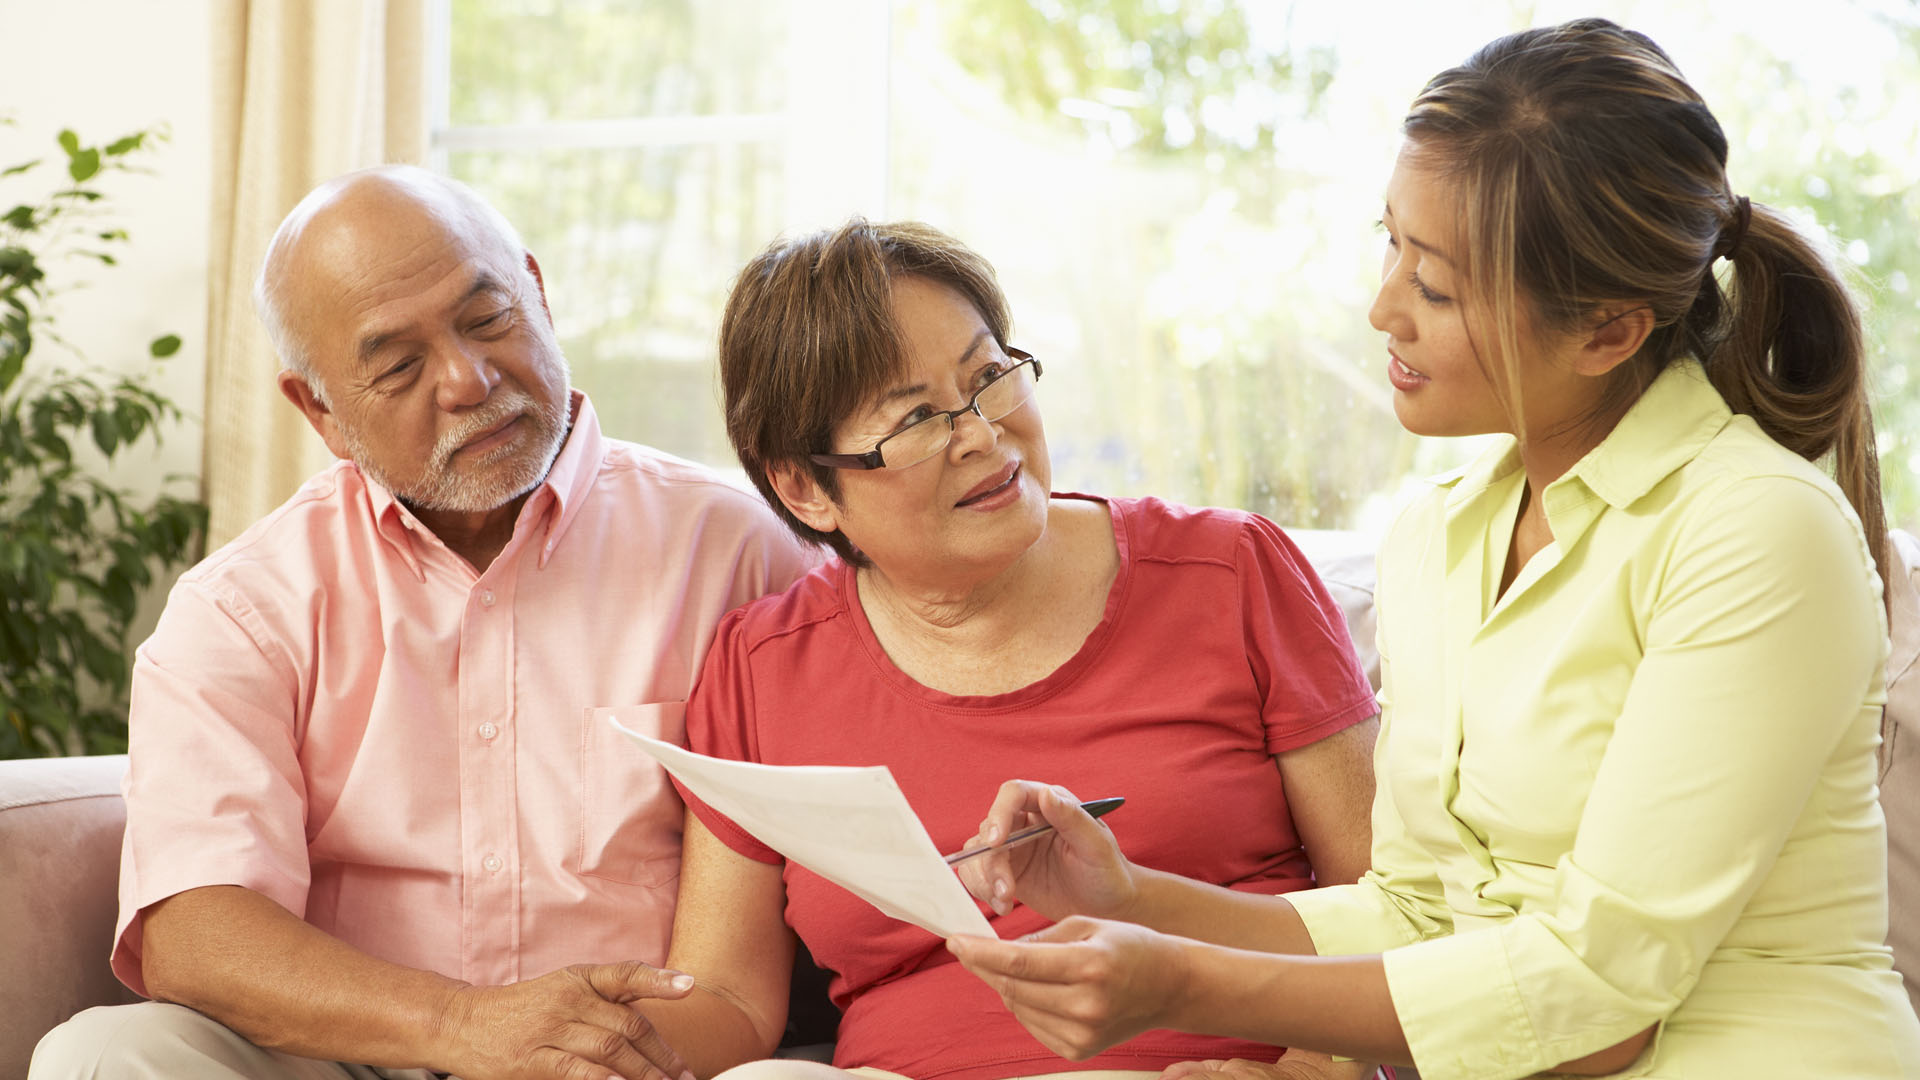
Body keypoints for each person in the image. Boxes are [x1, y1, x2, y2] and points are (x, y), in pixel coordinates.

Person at [943, 18, 1920, 1080]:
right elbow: (1415, 913)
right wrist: (1131, 900)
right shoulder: (1443, 535)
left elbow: (1602, 1001)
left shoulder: (1757, 531)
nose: (1382, 309)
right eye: (1391, 246)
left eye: (1439, 288)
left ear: (1608, 332)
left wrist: (1179, 981)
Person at [29, 165, 820, 1080]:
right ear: (318, 407)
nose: (467, 379)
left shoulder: (738, 546)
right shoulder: (241, 608)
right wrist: (462, 1027)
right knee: (106, 1053)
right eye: (398, 366)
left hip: (649, 1057)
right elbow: (192, 931)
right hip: (357, 1053)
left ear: (541, 296)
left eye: (489, 320)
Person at [617, 219, 1382, 1080]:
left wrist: (1312, 1070)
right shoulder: (761, 667)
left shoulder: (1231, 571)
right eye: (915, 419)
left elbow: (1399, 911)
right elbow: (729, 998)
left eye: (988, 378)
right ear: (803, 487)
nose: (982, 433)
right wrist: (588, 1048)